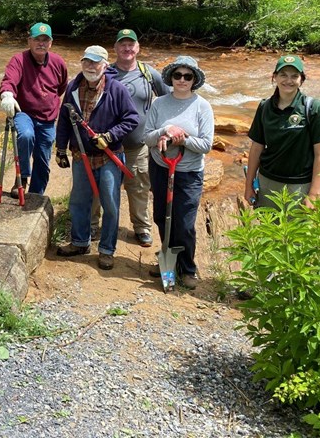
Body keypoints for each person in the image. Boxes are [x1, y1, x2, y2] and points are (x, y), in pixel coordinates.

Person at [55, 46, 139, 270]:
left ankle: (106, 250)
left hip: (109, 157)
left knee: (110, 204)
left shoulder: (117, 89)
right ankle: (80, 242)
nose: (90, 67)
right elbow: (64, 120)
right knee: (78, 201)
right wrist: (61, 149)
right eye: (87, 62)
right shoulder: (73, 87)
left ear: (104, 65)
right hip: (81, 156)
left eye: (95, 62)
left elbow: (132, 119)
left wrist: (110, 136)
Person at [91, 29, 170, 246]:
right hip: (107, 145)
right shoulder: (105, 73)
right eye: (122, 44)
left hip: (138, 145)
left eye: (131, 44)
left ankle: (141, 228)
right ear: (115, 48)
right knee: (100, 187)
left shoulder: (149, 73)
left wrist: (166, 128)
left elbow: (169, 99)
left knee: (139, 188)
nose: (127, 48)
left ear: (138, 48)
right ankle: (92, 225)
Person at [144, 55, 214, 290]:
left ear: (194, 79)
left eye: (187, 76)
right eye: (178, 75)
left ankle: (188, 268)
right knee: (162, 216)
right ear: (171, 78)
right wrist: (164, 130)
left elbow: (206, 144)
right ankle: (167, 262)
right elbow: (147, 137)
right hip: (160, 166)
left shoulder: (202, 106)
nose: (182, 80)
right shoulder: (159, 103)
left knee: (183, 223)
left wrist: (182, 139)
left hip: (189, 172)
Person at [244, 55, 320, 209]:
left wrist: (314, 194)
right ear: (274, 77)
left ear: (301, 80)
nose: (288, 80)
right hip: (267, 182)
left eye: (294, 76)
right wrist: (249, 185)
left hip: (300, 185)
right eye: (283, 75)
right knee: (268, 231)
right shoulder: (264, 107)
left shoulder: (313, 108)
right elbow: (256, 147)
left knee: (299, 232)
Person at [0, 23, 68, 197]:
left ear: (51, 43)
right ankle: (21, 177)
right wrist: (7, 95)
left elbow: (62, 87)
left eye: (45, 40)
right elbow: (9, 80)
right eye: (37, 39)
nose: (41, 43)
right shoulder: (19, 60)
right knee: (26, 135)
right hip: (24, 112)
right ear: (29, 40)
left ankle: (36, 195)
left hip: (48, 119)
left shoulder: (58, 62)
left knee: (43, 161)